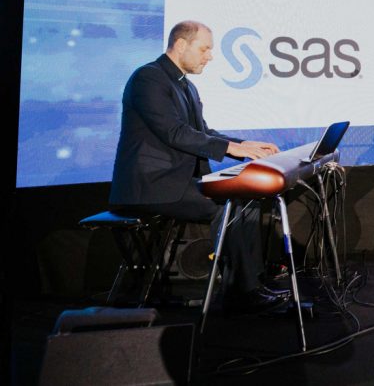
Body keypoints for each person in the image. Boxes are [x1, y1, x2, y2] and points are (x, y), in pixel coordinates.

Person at [109, 20, 290, 312]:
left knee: (247, 199)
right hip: (150, 185)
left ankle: (246, 286)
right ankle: (242, 293)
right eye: (204, 49)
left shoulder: (186, 86)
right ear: (181, 45)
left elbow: (202, 132)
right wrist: (233, 148)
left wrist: (245, 145)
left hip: (175, 183)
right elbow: (174, 132)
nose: (210, 56)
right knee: (231, 205)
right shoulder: (148, 78)